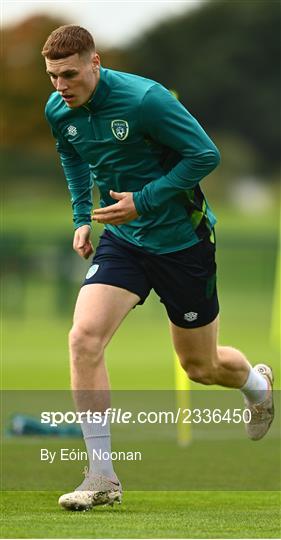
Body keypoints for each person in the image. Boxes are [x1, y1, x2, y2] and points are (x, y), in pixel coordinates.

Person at [42, 25, 274, 511]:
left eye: (69, 74)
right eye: (52, 76)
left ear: (95, 63)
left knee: (201, 367)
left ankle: (256, 384)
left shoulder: (145, 99)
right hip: (124, 242)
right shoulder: (58, 110)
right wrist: (83, 218)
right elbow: (71, 155)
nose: (61, 86)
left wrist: (142, 202)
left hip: (182, 242)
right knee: (83, 338)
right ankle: (101, 476)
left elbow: (205, 155)